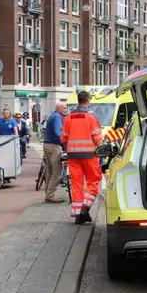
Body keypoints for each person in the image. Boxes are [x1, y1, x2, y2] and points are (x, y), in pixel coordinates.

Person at [61, 91, 103, 223]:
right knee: (94, 181)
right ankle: (85, 207)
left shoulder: (68, 117)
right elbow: (97, 138)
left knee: (77, 184)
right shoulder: (91, 117)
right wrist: (101, 148)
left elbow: (63, 138)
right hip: (90, 155)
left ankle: (78, 215)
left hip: (73, 155)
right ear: (88, 101)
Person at [43, 102, 67, 203]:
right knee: (56, 172)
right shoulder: (57, 117)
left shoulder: (52, 115)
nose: (66, 110)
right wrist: (64, 142)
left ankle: (47, 193)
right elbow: (58, 133)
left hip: (47, 145)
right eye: (64, 108)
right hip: (54, 146)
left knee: (49, 172)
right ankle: (50, 195)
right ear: (59, 108)